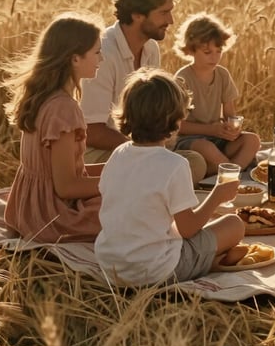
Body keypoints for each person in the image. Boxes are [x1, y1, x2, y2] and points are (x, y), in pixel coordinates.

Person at [95, 68, 245, 286]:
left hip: (112, 267)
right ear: (175, 120)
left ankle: (210, 261)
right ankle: (208, 263)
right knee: (234, 224)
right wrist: (216, 196)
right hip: (156, 270)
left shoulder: (119, 154)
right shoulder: (174, 164)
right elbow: (187, 229)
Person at [79, 0, 207, 183]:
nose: (171, 20)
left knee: (195, 162)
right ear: (137, 14)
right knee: (173, 170)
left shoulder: (150, 49)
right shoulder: (103, 53)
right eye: (163, 12)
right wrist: (143, 152)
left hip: (139, 146)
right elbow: (91, 131)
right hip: (99, 153)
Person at [3, 13, 104, 243]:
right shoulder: (64, 110)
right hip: (52, 217)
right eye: (97, 52)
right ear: (75, 59)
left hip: (26, 209)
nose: (102, 59)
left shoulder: (44, 97)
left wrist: (117, 167)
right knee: (134, 203)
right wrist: (119, 181)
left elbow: (62, 169)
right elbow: (67, 187)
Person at [173, 13, 261, 175]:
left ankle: (224, 171)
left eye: (218, 51)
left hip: (218, 138)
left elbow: (230, 114)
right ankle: (234, 174)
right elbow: (177, 125)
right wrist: (211, 130)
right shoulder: (182, 78)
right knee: (206, 148)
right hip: (191, 141)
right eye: (207, 52)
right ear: (190, 50)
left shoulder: (222, 75)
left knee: (252, 140)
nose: (214, 57)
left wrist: (232, 129)